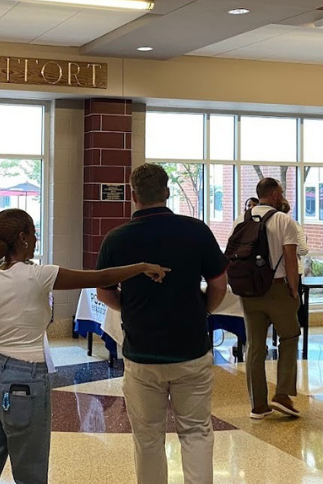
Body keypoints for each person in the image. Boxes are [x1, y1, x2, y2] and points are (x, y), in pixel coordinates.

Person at [0, 208, 169, 484]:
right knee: (30, 470)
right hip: (27, 380)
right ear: (22, 237)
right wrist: (141, 267)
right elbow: (101, 278)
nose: (36, 239)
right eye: (33, 233)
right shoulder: (39, 275)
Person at [95, 163, 228, 484]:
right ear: (167, 192)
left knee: (147, 437)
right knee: (196, 432)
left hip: (142, 352)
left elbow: (104, 292)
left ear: (133, 195)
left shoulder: (116, 239)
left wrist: (131, 307)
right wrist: (203, 311)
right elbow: (219, 283)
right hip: (190, 348)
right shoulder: (196, 231)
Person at [234, 177, 301, 420]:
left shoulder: (241, 219)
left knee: (255, 346)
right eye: (280, 192)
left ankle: (258, 406)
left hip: (249, 292)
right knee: (289, 337)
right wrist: (293, 290)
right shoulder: (283, 220)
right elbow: (290, 258)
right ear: (274, 195)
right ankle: (282, 394)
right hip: (277, 289)